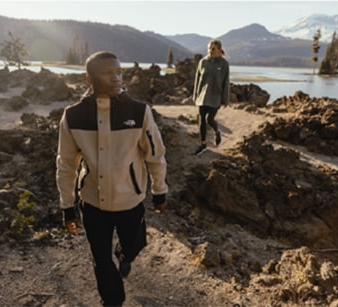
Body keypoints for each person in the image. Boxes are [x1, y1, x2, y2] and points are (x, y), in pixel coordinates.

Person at [56, 51, 168, 307]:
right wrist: (67, 207)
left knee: (136, 244)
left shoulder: (139, 112)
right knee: (101, 260)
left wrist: (159, 191)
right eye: (108, 73)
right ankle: (113, 301)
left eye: (119, 72)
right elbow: (65, 165)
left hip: (131, 200)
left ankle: (125, 253)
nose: (117, 78)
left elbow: (155, 155)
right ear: (89, 78)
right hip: (93, 204)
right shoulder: (73, 116)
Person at [192, 39, 230, 155]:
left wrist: (225, 100)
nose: (210, 51)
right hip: (203, 97)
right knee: (202, 120)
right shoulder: (203, 62)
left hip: (216, 97)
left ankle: (217, 131)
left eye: (213, 49)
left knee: (210, 119)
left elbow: (226, 83)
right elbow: (198, 79)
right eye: (209, 48)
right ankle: (203, 144)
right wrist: (195, 95)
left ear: (219, 50)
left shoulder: (224, 64)